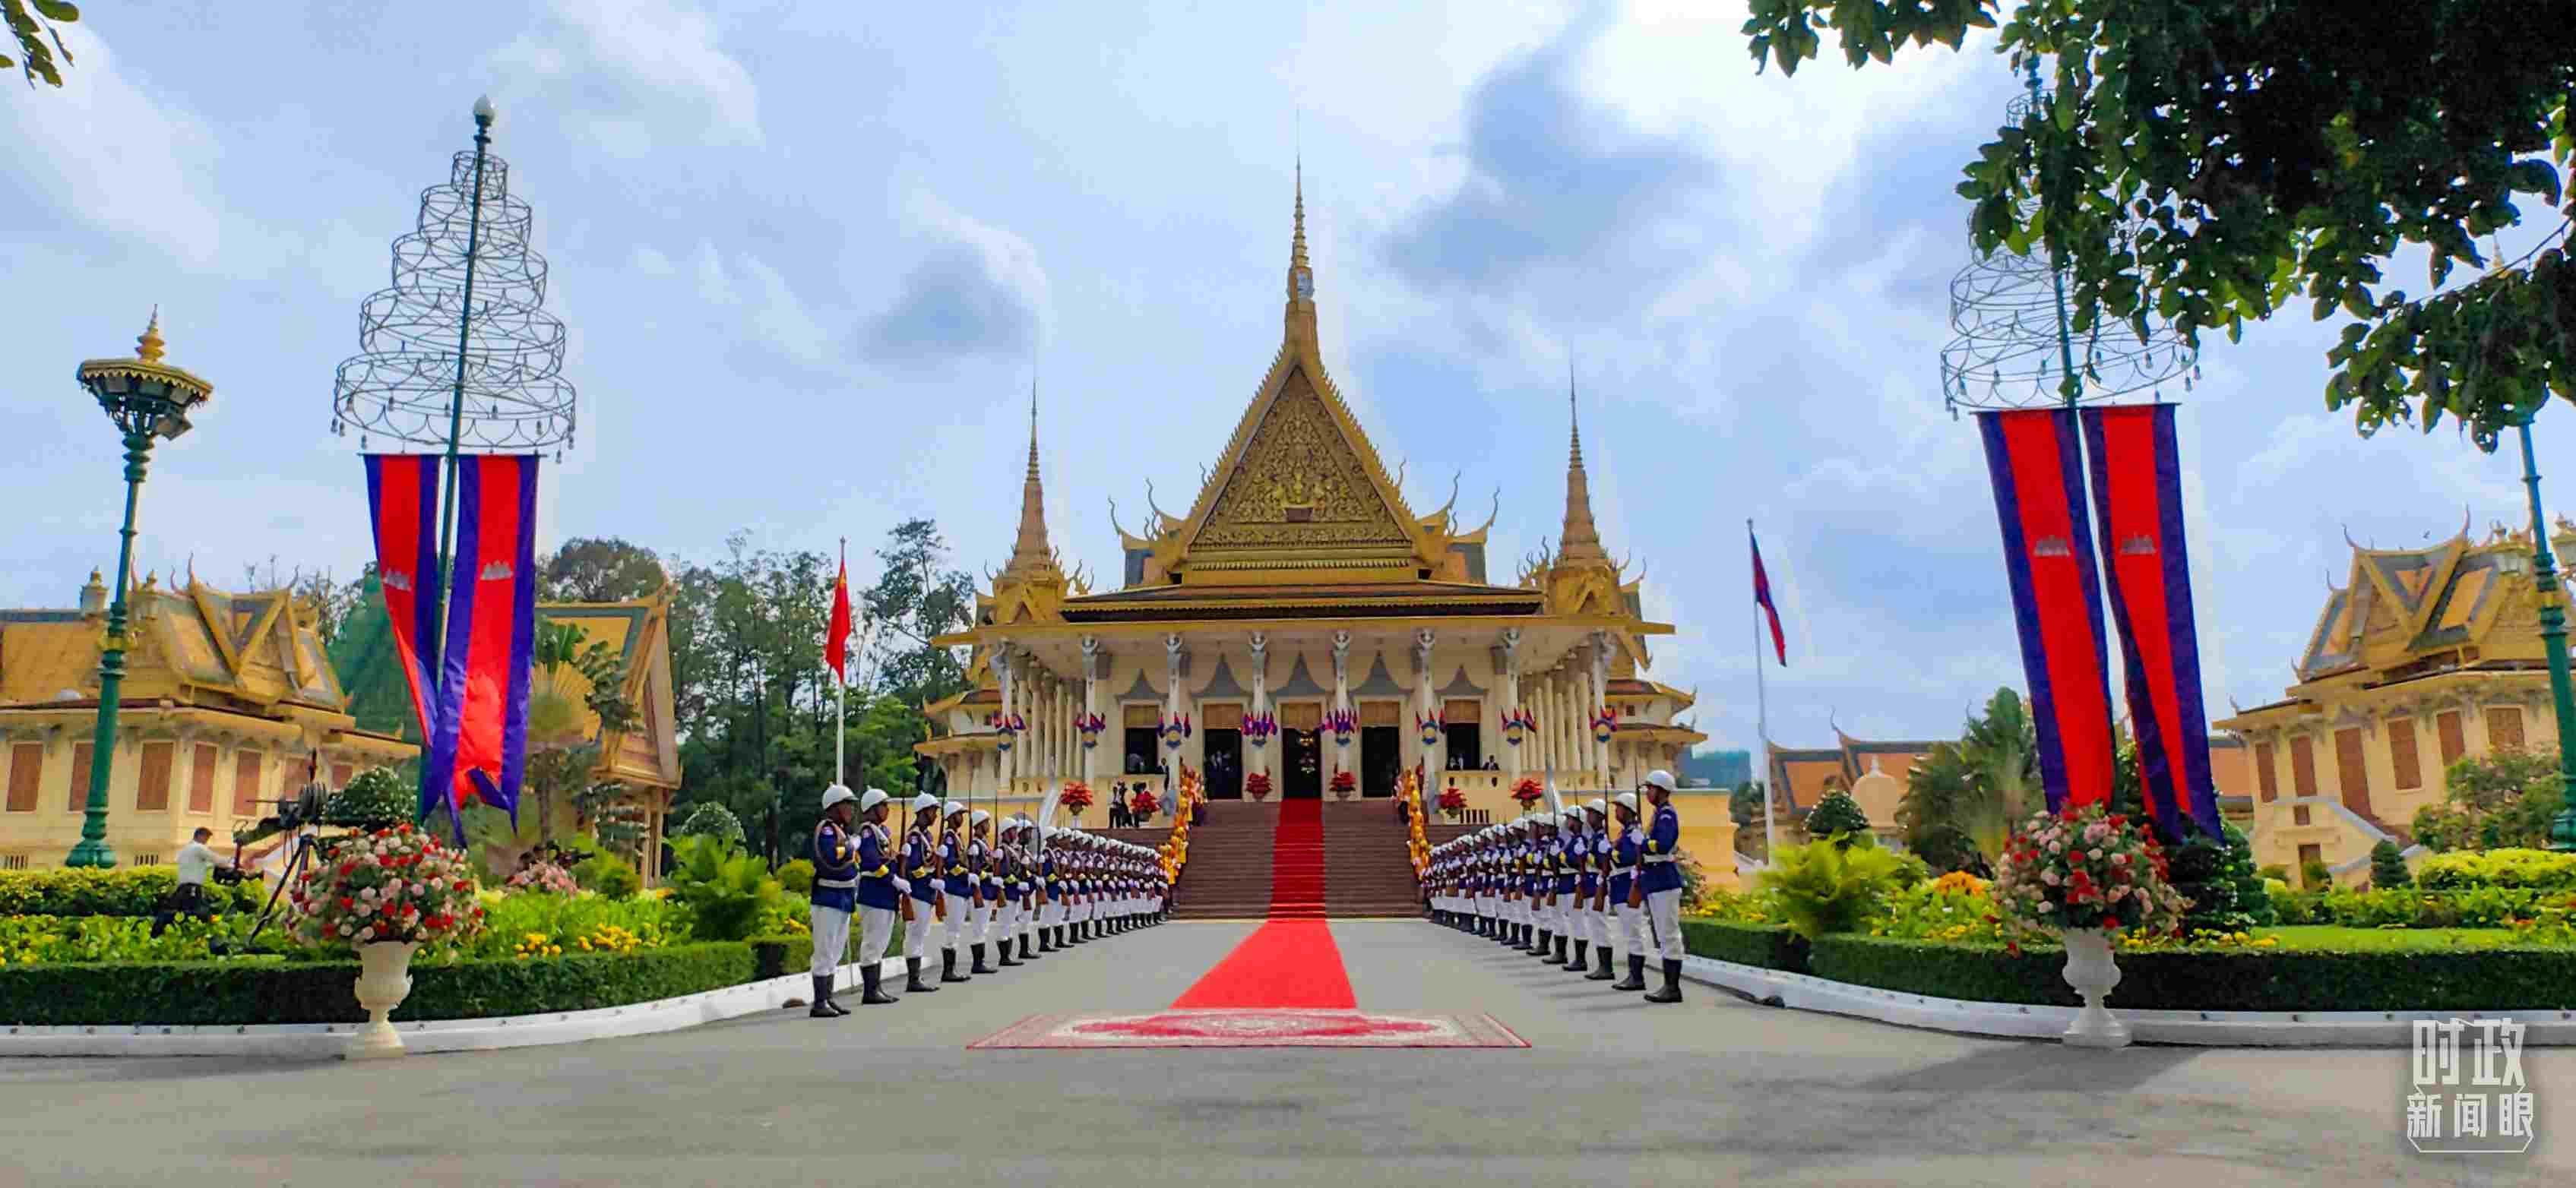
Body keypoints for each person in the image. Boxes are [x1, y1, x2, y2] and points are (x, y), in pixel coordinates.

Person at [806, 786, 860, 1017]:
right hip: (828, 897)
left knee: (835, 951)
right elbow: (832, 857)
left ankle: (828, 998)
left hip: (843, 897)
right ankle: (819, 1003)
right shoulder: (827, 830)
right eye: (847, 805)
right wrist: (851, 847)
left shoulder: (841, 831)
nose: (851, 810)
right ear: (834, 807)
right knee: (825, 950)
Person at [1633, 769, 1685, 1003]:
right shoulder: (1658, 813)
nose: (1648, 793)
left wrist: (1643, 843)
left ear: (1662, 790)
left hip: (1664, 878)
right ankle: (1668, 986)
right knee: (1663, 936)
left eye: (1650, 789)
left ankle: (1672, 988)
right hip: (1656, 879)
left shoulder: (1666, 814)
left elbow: (1663, 845)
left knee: (1669, 935)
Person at [851, 787, 904, 1005]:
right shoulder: (867, 831)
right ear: (872, 808)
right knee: (873, 942)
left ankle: (876, 988)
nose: (887, 809)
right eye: (884, 805)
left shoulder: (881, 832)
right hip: (874, 892)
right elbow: (872, 861)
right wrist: (893, 879)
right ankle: (870, 991)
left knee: (880, 943)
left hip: (884, 894)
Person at [152, 826, 236, 939]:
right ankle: (215, 934)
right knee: (202, 913)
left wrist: (224, 865)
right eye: (206, 838)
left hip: (182, 888)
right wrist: (233, 862)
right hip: (192, 888)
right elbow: (217, 860)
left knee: (171, 912)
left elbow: (203, 865)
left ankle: (156, 935)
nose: (206, 841)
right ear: (200, 836)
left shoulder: (186, 850)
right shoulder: (198, 848)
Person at [898, 792, 943, 995]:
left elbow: (928, 863)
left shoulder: (927, 836)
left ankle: (916, 978)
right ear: (923, 812)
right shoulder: (914, 837)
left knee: (921, 934)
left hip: (926, 891)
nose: (935, 815)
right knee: (915, 934)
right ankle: (913, 979)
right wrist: (929, 881)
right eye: (933, 811)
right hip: (918, 891)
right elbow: (914, 867)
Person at [1609, 793, 1649, 992]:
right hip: (1621, 886)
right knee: (1629, 932)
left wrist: (1611, 852)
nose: (1616, 811)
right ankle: (1633, 975)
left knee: (1634, 932)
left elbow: (1629, 857)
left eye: (1619, 807)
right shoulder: (1625, 833)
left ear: (1629, 810)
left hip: (1628, 886)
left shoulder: (1634, 832)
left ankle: (1637, 977)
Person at [937, 801, 975, 984]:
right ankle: (948, 971)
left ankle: (951, 969)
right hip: (953, 888)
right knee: (952, 930)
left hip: (960, 889)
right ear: (951, 817)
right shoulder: (949, 837)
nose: (962, 818)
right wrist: (967, 873)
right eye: (960, 814)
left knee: (956, 930)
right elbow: (951, 865)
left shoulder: (956, 837)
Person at [1582, 798, 1617, 981]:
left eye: (1591, 813)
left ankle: (1607, 968)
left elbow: (1603, 864)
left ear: (1600, 816)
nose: (1588, 816)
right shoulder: (1594, 837)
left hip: (1599, 884)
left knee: (1600, 925)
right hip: (1592, 884)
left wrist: (1586, 855)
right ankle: (1602, 966)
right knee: (1596, 925)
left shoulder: (1602, 838)